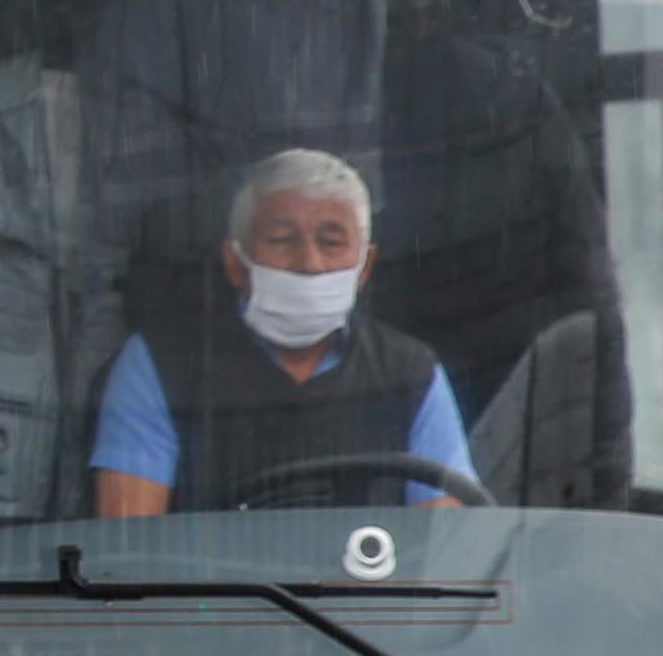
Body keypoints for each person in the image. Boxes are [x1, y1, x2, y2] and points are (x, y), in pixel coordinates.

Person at [89, 148, 476, 517]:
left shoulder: (411, 372)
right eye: (280, 240)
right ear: (236, 262)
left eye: (331, 242)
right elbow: (130, 543)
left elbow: (446, 544)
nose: (308, 262)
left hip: (369, 585)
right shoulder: (159, 363)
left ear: (365, 266)